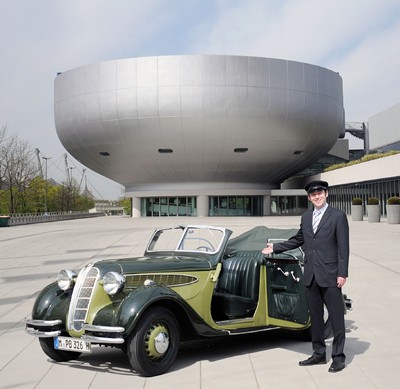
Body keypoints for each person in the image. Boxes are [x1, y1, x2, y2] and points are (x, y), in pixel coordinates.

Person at [262, 180, 349, 373]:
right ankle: (319, 354)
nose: (317, 196)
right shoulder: (306, 217)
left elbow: (343, 247)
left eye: (320, 193)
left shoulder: (338, 216)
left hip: (331, 275)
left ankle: (338, 357)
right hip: (310, 275)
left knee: (336, 318)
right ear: (309, 198)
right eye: (313, 194)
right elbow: (298, 239)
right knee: (315, 318)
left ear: (326, 194)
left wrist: (342, 273)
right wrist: (275, 247)